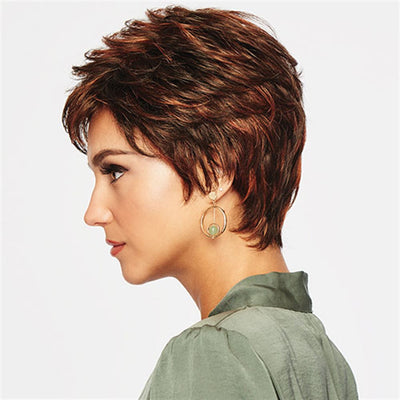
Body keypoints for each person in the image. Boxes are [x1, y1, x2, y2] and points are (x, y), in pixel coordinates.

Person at [62, 5, 359, 399]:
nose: (93, 213)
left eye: (115, 170)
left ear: (214, 169)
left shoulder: (215, 350)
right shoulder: (319, 353)